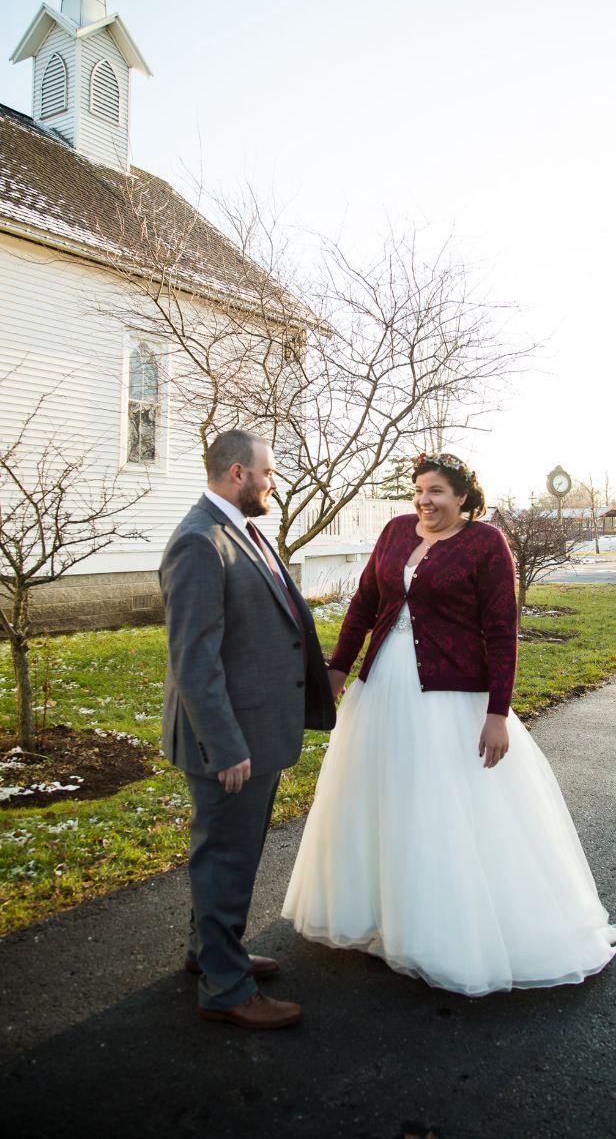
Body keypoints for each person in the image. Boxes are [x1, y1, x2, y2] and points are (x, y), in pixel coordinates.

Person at [282, 452, 616, 996]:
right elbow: (364, 604)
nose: (425, 500)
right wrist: (338, 671)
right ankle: (379, 913)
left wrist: (497, 713)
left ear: (463, 496)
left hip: (451, 695)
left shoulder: (486, 544)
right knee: (379, 798)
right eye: (419, 490)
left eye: (437, 491)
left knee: (439, 807)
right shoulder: (396, 532)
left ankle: (440, 929)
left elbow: (501, 630)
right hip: (383, 688)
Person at [160, 430, 335, 1030]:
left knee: (230, 854)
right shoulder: (200, 541)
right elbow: (194, 660)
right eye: (269, 472)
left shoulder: (238, 529)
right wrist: (225, 746)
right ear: (238, 473)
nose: (274, 483)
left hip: (254, 730)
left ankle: (210, 953)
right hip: (229, 741)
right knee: (226, 859)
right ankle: (226, 988)